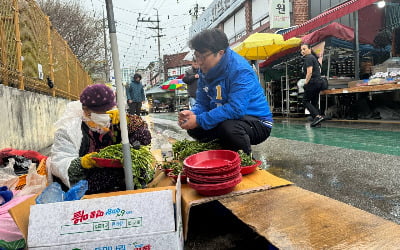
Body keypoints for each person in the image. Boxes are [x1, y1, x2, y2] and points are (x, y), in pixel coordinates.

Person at [177, 28, 273, 155]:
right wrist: (192, 114)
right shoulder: (204, 71)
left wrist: (199, 119)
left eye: (203, 57)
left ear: (220, 53)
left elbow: (236, 109)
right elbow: (202, 103)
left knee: (229, 128)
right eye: (197, 56)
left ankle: (243, 160)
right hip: (227, 119)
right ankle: (222, 150)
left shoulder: (240, 70)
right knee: (194, 128)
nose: (199, 62)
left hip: (256, 122)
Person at [47, 84, 151, 194]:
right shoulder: (68, 131)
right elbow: (59, 165)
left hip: (122, 182)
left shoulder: (116, 122)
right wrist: (84, 162)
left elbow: (144, 139)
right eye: (100, 111)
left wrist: (129, 121)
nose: (105, 114)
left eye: (108, 110)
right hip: (87, 186)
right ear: (85, 110)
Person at [300, 43, 325, 127]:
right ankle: (317, 120)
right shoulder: (313, 58)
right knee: (314, 102)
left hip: (313, 82)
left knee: (305, 101)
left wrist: (306, 83)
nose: (302, 51)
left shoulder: (309, 58)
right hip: (318, 82)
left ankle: (317, 116)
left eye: (304, 49)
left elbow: (309, 72)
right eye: (301, 50)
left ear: (309, 49)